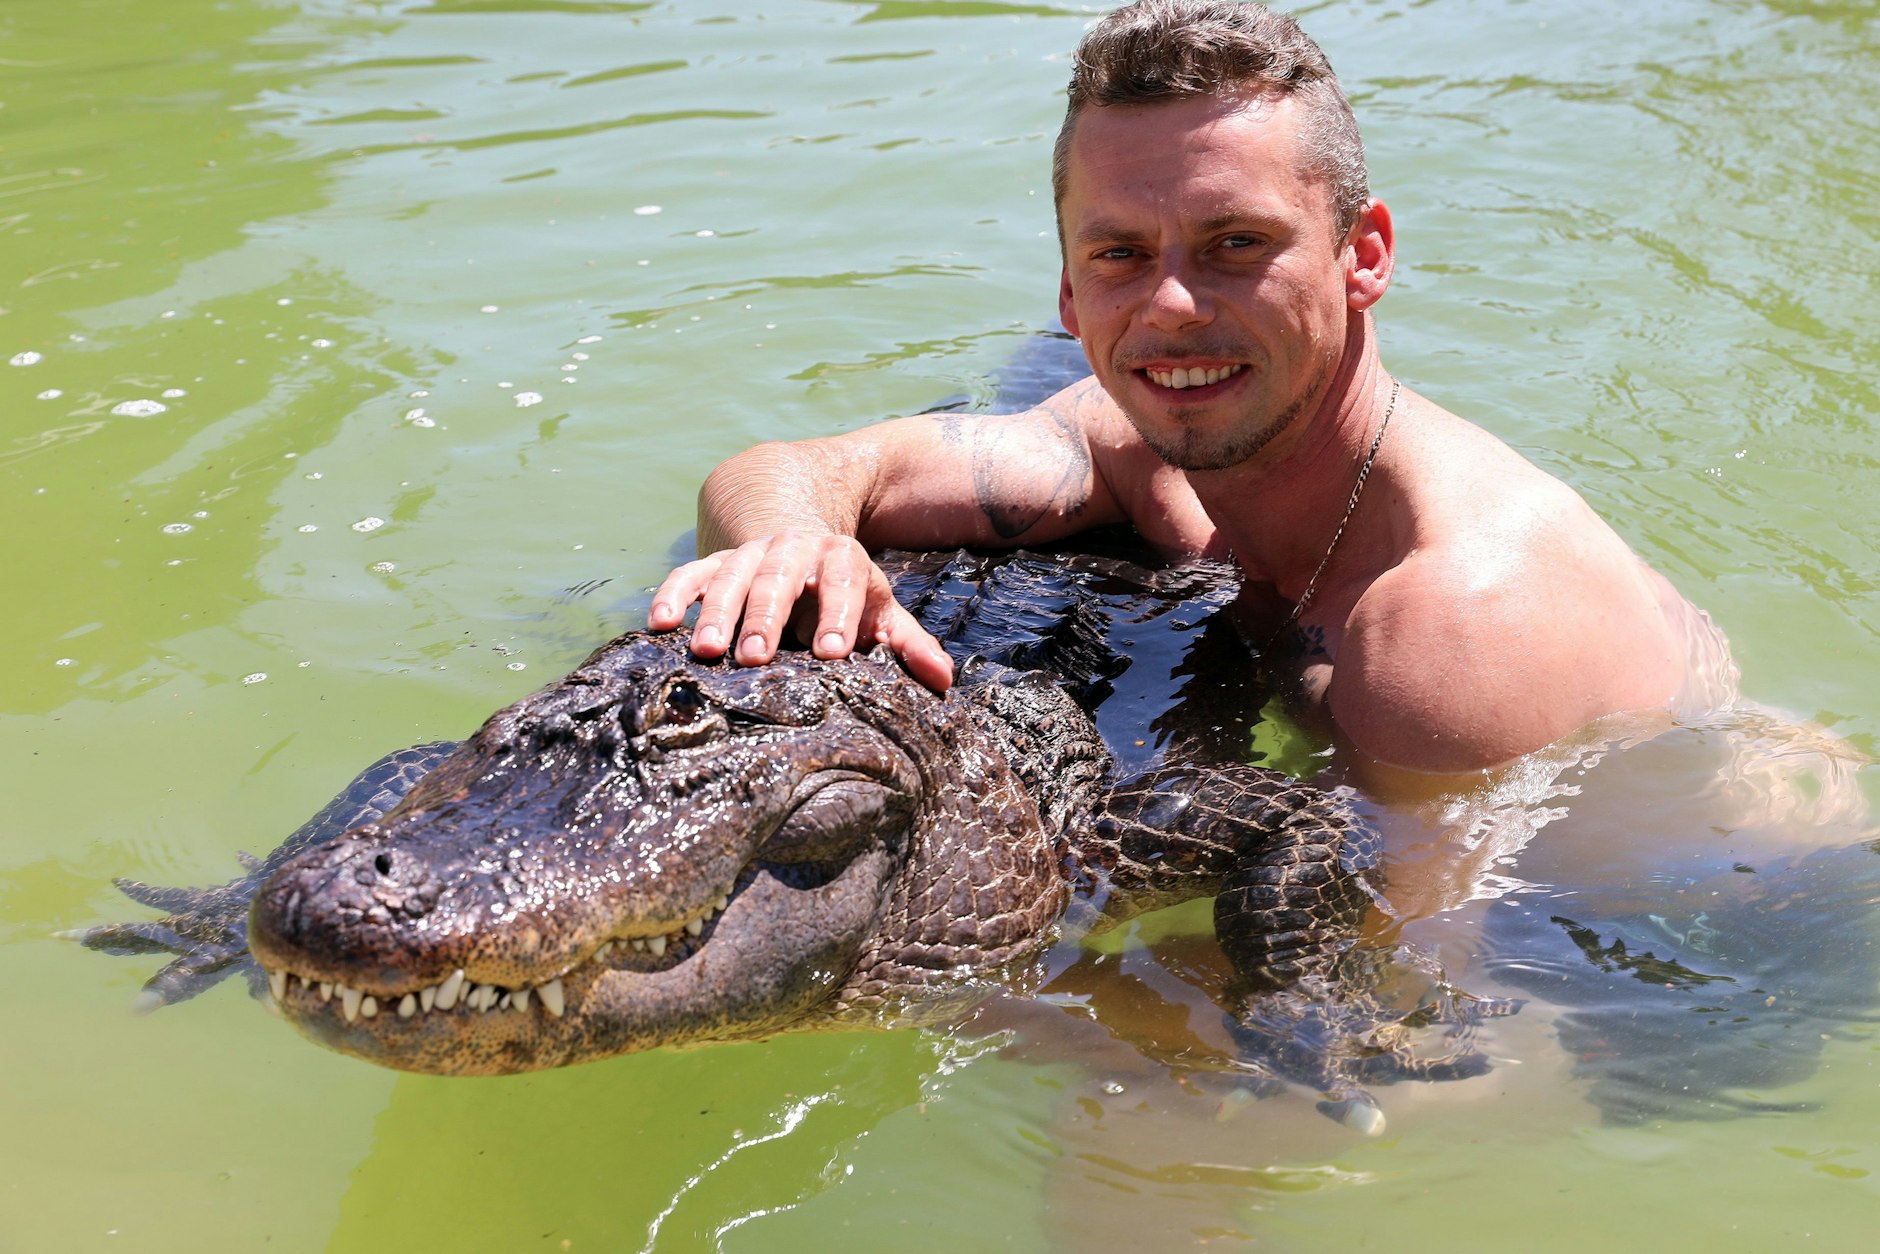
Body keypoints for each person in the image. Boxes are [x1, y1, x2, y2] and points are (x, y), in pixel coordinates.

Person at [647, 0, 1734, 786]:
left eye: (1235, 242)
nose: (1168, 305)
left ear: (1364, 256)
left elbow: (1393, 1037)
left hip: (1709, 941)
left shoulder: (1445, 628)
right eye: (1120, 255)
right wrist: (796, 543)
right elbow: (784, 469)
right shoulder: (1135, 444)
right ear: (1069, 293)